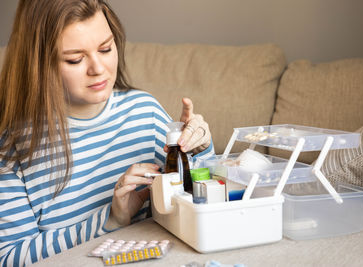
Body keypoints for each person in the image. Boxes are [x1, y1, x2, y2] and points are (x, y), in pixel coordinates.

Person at [0, 0, 214, 265]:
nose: (98, 69)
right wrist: (110, 219)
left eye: (105, 49)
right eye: (75, 59)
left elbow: (205, 198)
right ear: (40, 64)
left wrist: (199, 148)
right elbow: (8, 257)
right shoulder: (14, 149)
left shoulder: (144, 112)